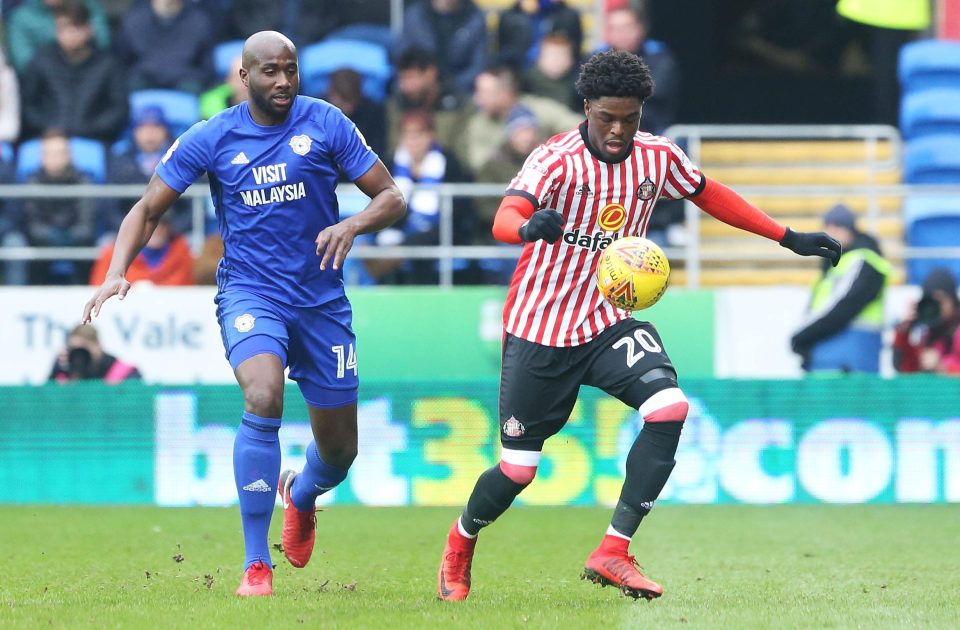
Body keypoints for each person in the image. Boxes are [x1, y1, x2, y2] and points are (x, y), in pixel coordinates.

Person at [435, 49, 841, 602]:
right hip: (542, 329)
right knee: (518, 472)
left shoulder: (658, 157)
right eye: (608, 118)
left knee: (669, 408)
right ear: (587, 108)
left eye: (631, 118)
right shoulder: (553, 159)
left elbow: (709, 193)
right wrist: (530, 226)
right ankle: (461, 542)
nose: (620, 129)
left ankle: (613, 550)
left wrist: (785, 236)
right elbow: (506, 215)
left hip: (609, 321)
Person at [82, 31, 406, 596]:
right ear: (245, 76)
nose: (283, 81)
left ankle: (300, 494)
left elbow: (392, 197)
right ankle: (257, 564)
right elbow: (148, 206)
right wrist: (116, 270)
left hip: (322, 302)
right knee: (262, 396)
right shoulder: (212, 136)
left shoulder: (326, 123)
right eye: (270, 72)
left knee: (339, 452)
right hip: (250, 293)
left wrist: (352, 224)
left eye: (290, 70)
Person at [367, 110, 475, 284]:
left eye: (419, 134)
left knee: (423, 239)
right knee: (386, 237)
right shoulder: (390, 163)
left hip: (442, 228)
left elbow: (459, 207)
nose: (414, 141)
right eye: (408, 134)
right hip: (399, 226)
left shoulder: (449, 162)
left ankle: (386, 262)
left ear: (431, 136)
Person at [790, 204, 891, 373]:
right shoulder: (833, 266)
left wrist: (803, 336)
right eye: (828, 226)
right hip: (830, 355)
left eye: (838, 226)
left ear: (851, 230)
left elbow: (843, 305)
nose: (832, 232)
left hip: (853, 353)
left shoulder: (863, 260)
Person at [19, 0, 127, 142]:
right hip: (47, 141)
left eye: (75, 27)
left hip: (93, 140)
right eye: (62, 28)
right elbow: (28, 106)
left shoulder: (108, 65)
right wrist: (50, 129)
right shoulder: (41, 60)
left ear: (89, 29)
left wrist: (89, 130)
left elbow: (118, 110)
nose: (69, 34)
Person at [461, 65, 581, 173]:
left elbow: (580, 127)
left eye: (484, 92)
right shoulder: (479, 123)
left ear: (505, 94)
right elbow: (478, 164)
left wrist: (550, 148)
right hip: (502, 184)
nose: (477, 99)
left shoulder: (539, 110)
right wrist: (511, 147)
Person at [23, 129, 97, 284]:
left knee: (90, 249)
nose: (55, 158)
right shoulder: (32, 181)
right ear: (42, 157)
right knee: (26, 248)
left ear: (70, 155)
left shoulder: (83, 180)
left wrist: (68, 237)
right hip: (43, 243)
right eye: (49, 153)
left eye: (60, 153)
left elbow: (87, 225)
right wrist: (52, 236)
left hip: (77, 241)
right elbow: (32, 226)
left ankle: (87, 300)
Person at [105, 105, 192, 238]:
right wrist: (129, 231)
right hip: (127, 233)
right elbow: (110, 207)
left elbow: (192, 207)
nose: (150, 134)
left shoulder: (180, 160)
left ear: (166, 131)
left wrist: (169, 232)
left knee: (194, 243)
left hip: (172, 235)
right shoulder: (120, 161)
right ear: (135, 132)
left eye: (156, 127)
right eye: (144, 128)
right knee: (106, 243)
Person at [602, 1, 678, 135]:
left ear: (640, 28)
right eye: (615, 28)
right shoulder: (597, 56)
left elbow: (656, 91)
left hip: (651, 129)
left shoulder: (658, 54)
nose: (621, 33)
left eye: (626, 27)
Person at [386, 47, 472, 154]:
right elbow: (392, 148)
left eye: (412, 78)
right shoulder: (396, 105)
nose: (406, 86)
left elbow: (462, 149)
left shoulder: (459, 104)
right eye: (402, 79)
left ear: (431, 73)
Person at [117, 0, 213, 93]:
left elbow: (206, 65)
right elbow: (122, 62)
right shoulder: (134, 22)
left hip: (186, 82)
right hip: (143, 80)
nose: (167, 1)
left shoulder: (199, 23)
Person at [395, 0, 488, 93]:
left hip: (462, 88)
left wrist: (451, 87)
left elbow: (479, 64)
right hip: (421, 85)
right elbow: (403, 59)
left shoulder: (475, 17)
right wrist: (420, 80)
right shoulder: (415, 16)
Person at [6, 0, 110, 73]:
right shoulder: (22, 17)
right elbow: (24, 63)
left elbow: (103, 42)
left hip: (89, 74)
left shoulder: (86, 6)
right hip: (44, 85)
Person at [89, 216, 195, 286]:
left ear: (168, 227)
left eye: (162, 225)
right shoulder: (112, 255)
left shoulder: (182, 252)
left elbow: (188, 290)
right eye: (150, 225)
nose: (156, 230)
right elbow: (98, 288)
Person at [892, 267, 960, 374]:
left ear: (953, 302)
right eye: (932, 302)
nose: (937, 307)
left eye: (941, 300)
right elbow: (905, 369)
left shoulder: (957, 333)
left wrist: (943, 368)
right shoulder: (927, 334)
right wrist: (904, 329)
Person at [496, 0, 583, 73]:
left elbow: (575, 55)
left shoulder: (569, 16)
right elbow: (503, 54)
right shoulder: (509, 17)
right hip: (521, 76)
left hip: (558, 79)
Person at [49, 323, 141, 383]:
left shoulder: (122, 372)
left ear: (98, 345)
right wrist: (57, 371)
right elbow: (46, 402)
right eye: (74, 349)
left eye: (84, 346)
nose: (80, 354)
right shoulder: (65, 373)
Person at [199, 55, 246, 120]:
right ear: (228, 80)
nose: (243, 83)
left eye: (248, 77)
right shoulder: (212, 101)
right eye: (237, 78)